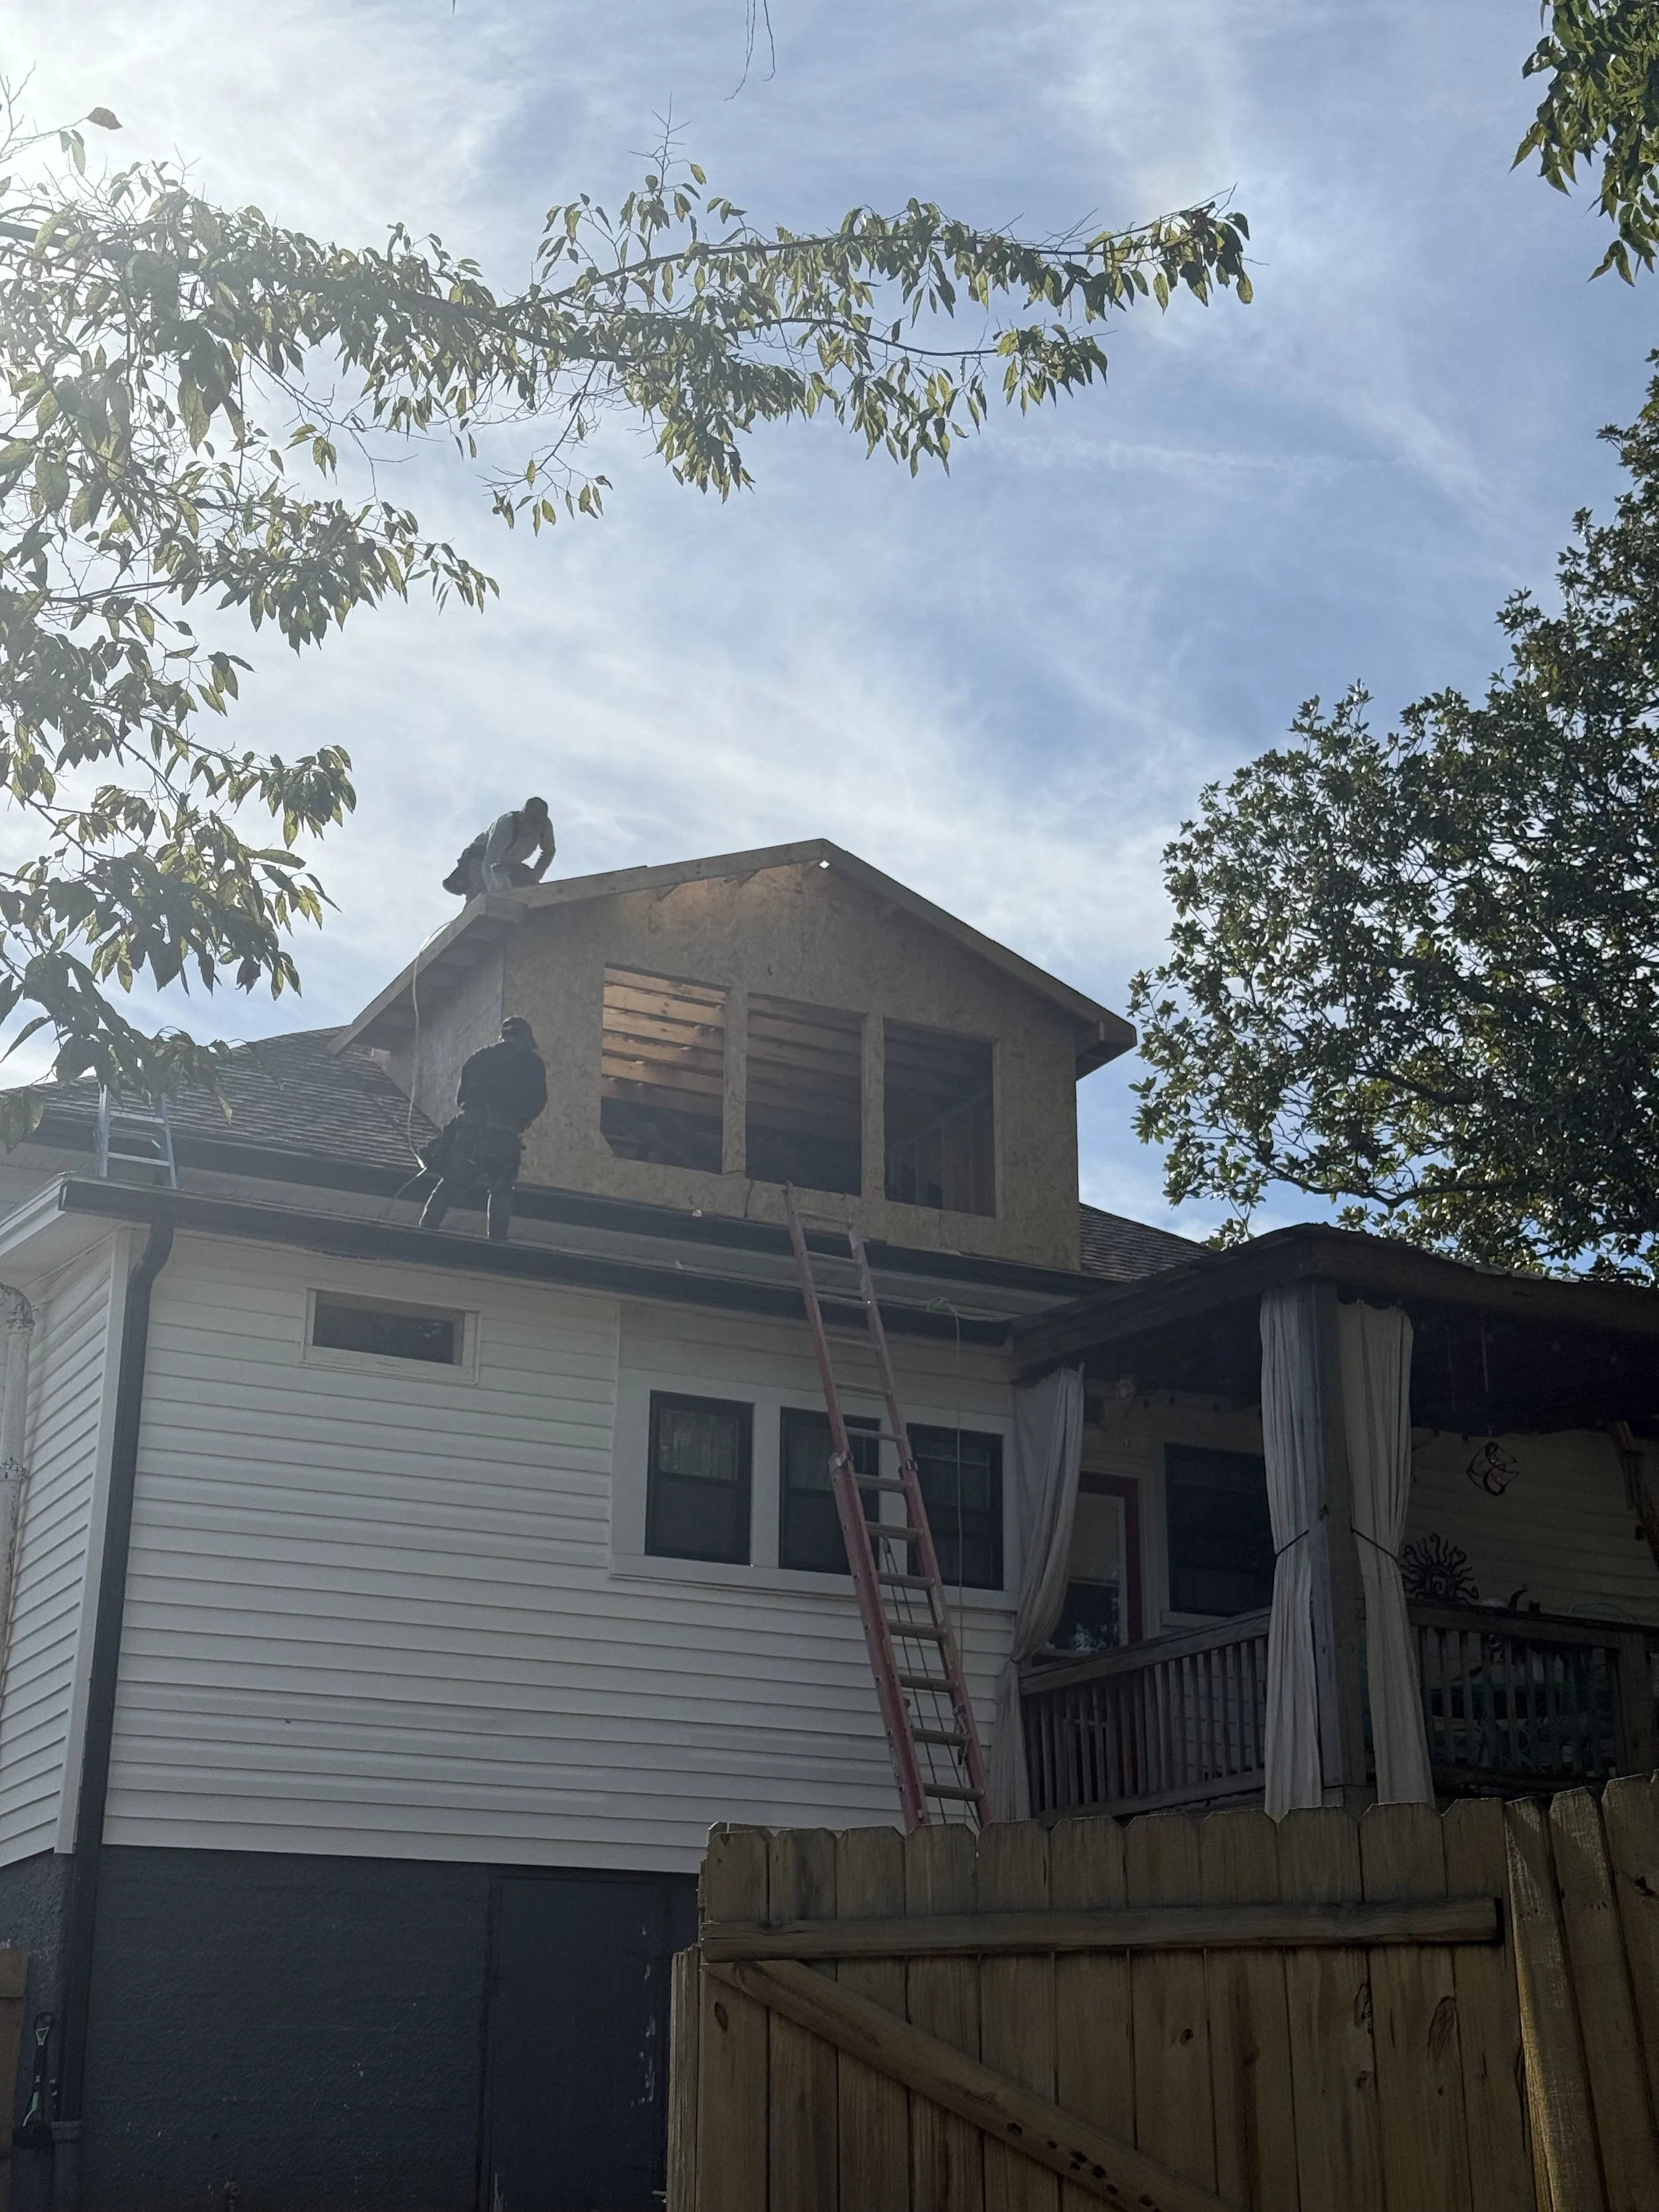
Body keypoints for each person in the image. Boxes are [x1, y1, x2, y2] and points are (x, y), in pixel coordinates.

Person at [417, 1016, 549, 1240]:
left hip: (469, 1132)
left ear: (504, 1036)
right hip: (505, 1134)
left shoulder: (479, 1057)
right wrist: (521, 1121)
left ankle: (422, 1233)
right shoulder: (532, 1062)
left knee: (449, 1185)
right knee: (500, 1191)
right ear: (525, 1037)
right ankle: (497, 1245)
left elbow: (461, 1098)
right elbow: (538, 1101)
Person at [443, 796, 556, 897]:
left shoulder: (545, 828)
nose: (532, 829)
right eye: (530, 823)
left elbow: (549, 852)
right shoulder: (506, 825)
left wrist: (536, 874)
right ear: (523, 816)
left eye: (536, 826)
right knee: (481, 895)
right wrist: (495, 895)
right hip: (481, 858)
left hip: (507, 864)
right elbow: (489, 863)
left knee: (530, 886)